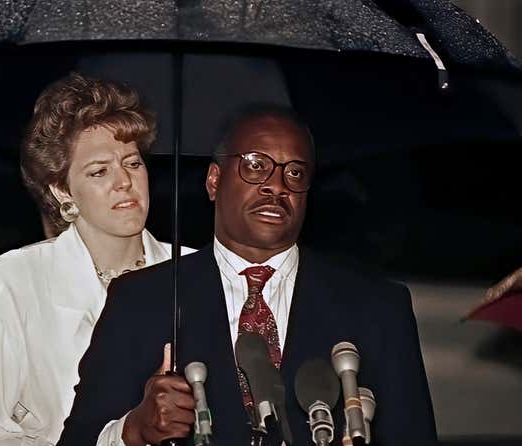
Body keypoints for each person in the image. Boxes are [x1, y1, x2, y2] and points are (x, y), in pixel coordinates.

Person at [58, 105, 437, 446]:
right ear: (213, 181)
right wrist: (134, 430)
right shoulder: (143, 300)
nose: (277, 185)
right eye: (256, 165)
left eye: (295, 172)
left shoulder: (377, 307)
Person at [0, 74, 194, 446]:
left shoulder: (196, 273)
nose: (124, 181)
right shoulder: (17, 278)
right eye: (99, 171)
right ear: (61, 189)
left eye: (132, 162)